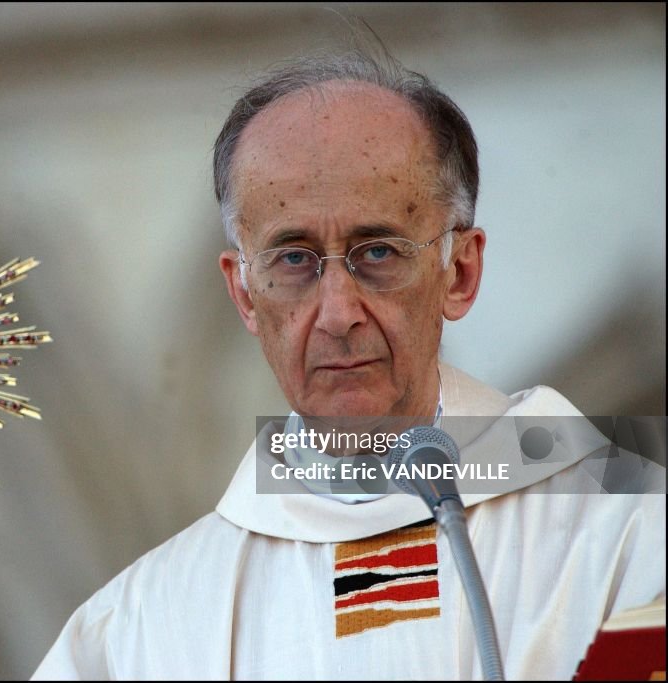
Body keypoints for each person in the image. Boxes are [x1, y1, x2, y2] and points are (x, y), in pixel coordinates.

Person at [33, 46, 665, 680]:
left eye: (378, 252)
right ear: (244, 293)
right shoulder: (138, 632)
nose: (338, 314)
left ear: (460, 273)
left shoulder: (627, 538)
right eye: (294, 259)